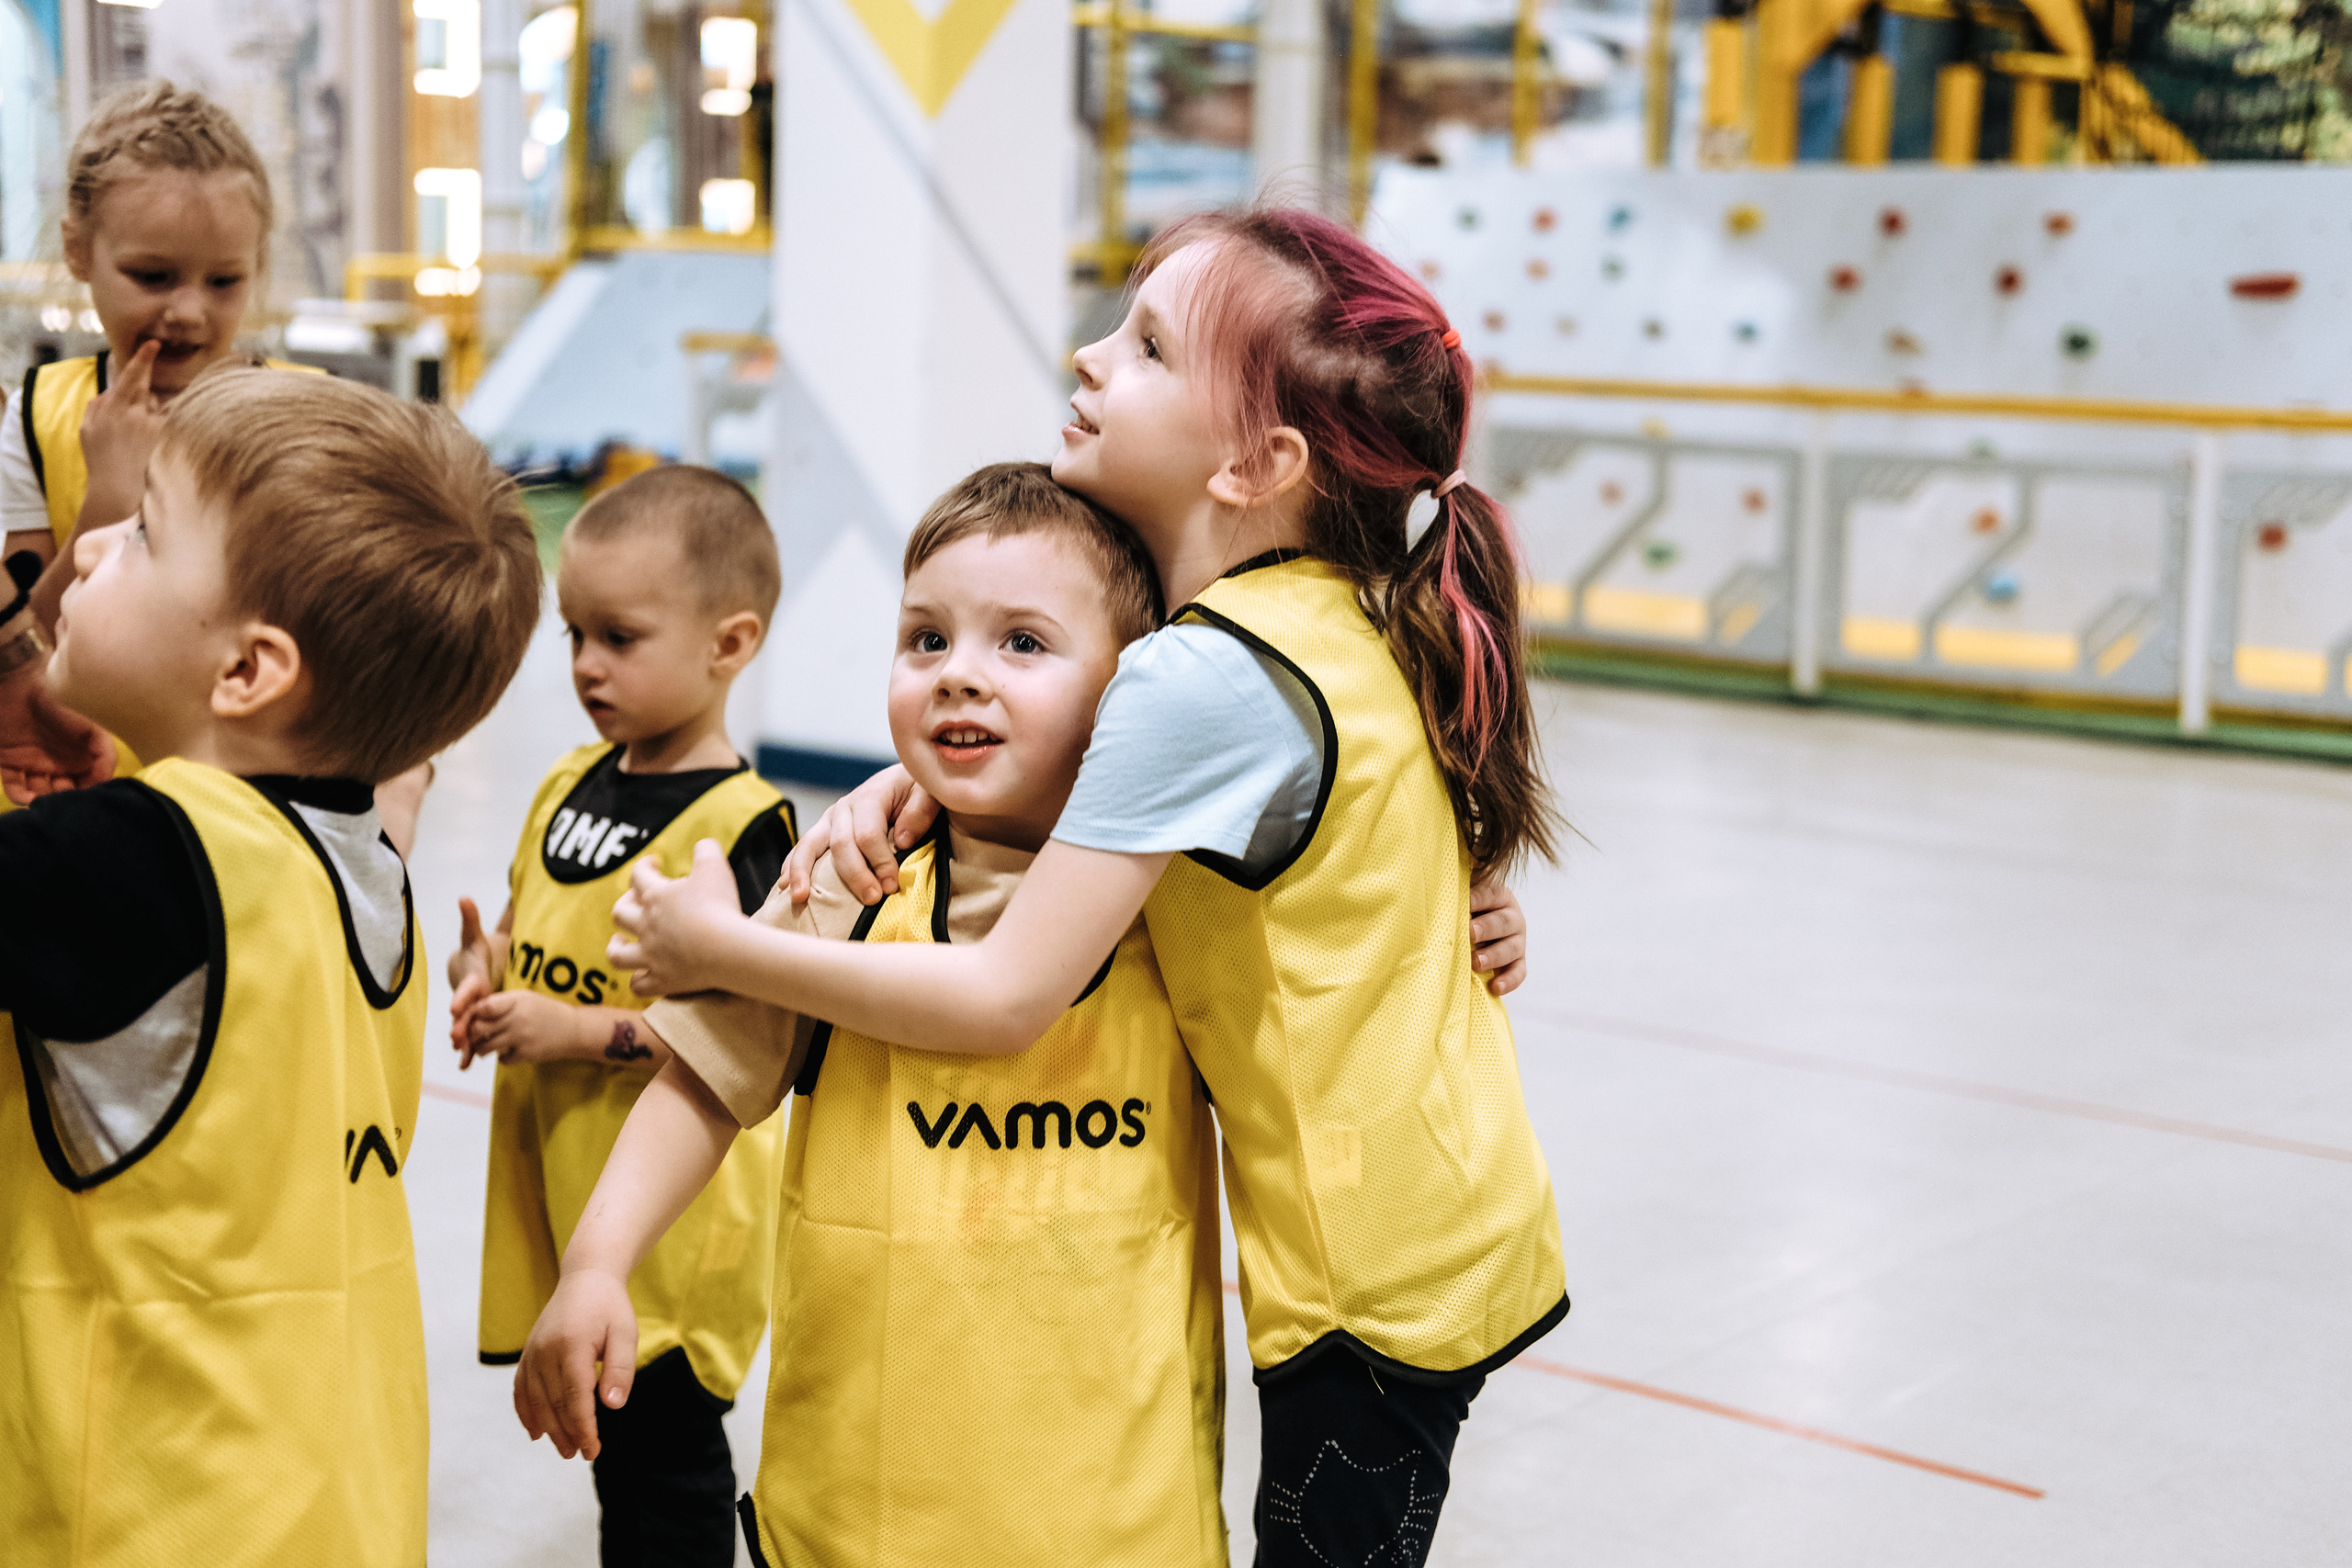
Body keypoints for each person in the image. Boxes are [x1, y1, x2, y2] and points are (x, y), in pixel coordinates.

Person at [610, 206, 1560, 1568]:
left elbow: (1003, 991)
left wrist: (729, 945)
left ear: (1258, 460)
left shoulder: (1204, 672)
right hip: (1449, 1211)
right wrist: (926, 783)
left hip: (1371, 1281)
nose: (1090, 351)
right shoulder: (1335, 603)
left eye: (1152, 346)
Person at [513, 464, 1229, 1568]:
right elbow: (704, 1076)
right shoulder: (846, 880)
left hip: (1106, 1516)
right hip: (855, 1507)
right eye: (925, 639)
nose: (960, 678)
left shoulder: (1181, 896)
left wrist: (1472, 904)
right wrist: (597, 1263)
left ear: (1130, 687)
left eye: (1022, 644)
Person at [0, 367, 540, 1566]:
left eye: (140, 534)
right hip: (336, 1509)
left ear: (249, 671)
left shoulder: (135, 860)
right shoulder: (368, 874)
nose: (90, 551)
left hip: (149, 1520)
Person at [446, 464, 797, 1568]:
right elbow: (525, 923)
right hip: (562, 1183)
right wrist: (487, 971)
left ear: (727, 644)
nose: (588, 665)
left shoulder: (743, 828)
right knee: (615, 1460)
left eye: (622, 637)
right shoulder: (565, 780)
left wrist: (577, 1031)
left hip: (671, 1231)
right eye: (574, 634)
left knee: (666, 1475)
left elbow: (753, 1036)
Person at [1, 80, 307, 803]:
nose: (188, 310)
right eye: (152, 276)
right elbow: (31, 646)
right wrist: (109, 495)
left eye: (223, 280)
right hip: (70, 791)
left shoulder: (301, 416)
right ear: (79, 251)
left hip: (241, 807)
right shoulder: (37, 416)